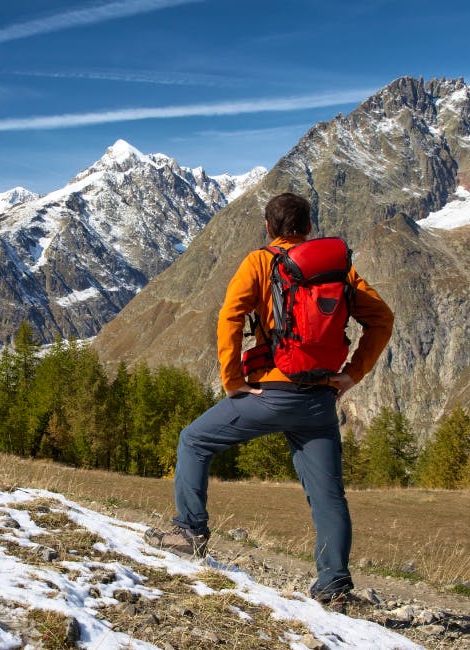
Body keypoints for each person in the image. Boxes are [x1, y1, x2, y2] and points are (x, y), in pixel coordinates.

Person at [146, 192, 394, 607]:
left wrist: (232, 381)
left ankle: (190, 532)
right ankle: (333, 585)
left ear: (268, 227)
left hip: (270, 392)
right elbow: (381, 320)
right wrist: (352, 374)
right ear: (309, 228)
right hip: (319, 400)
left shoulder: (261, 262)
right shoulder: (338, 270)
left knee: (194, 440)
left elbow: (230, 317)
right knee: (329, 495)